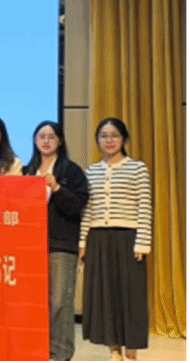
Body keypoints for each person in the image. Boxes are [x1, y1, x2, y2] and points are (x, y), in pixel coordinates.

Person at [79, 118, 151, 361]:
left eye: (114, 135)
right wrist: (82, 243)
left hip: (128, 239)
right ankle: (114, 351)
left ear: (124, 139)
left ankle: (131, 352)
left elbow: (145, 207)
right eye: (104, 136)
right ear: (98, 140)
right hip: (99, 239)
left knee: (131, 296)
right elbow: (88, 210)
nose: (109, 140)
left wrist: (142, 243)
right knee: (106, 295)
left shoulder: (137, 168)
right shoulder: (92, 171)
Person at [24, 121, 89, 361]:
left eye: (51, 136)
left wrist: (58, 188)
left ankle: (60, 353)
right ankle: (37, 349)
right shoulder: (27, 170)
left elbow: (77, 205)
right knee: (34, 301)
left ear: (60, 141)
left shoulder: (71, 171)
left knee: (60, 301)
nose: (46, 140)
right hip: (31, 246)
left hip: (61, 244)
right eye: (41, 136)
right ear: (35, 140)